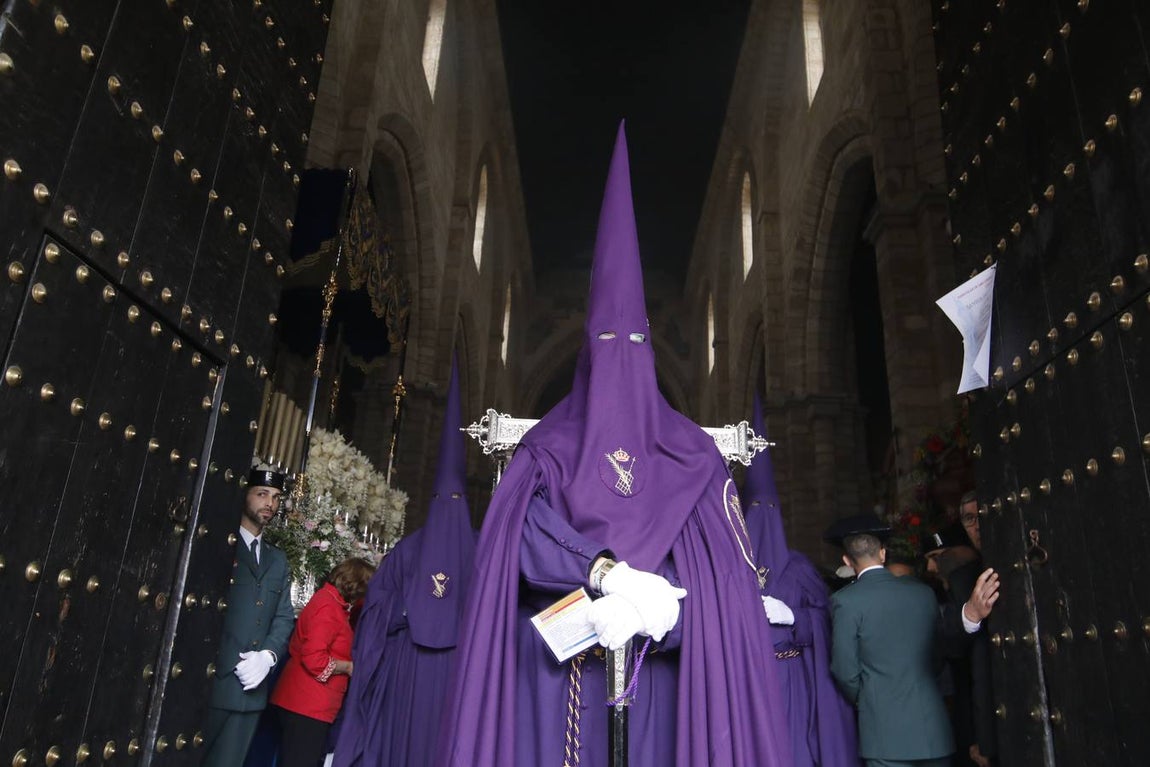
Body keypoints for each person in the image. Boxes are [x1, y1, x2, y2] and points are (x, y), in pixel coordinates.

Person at [436, 124, 792, 766]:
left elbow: (726, 590)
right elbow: (516, 541)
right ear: (584, 357)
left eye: (633, 344)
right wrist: (606, 575)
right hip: (555, 687)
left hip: (669, 686)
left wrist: (665, 613)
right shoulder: (546, 448)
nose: (618, 359)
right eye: (605, 343)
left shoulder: (694, 457)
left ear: (650, 352)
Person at [333, 356, 477, 767]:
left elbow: (375, 615)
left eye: (453, 501)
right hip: (424, 671)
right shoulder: (457, 549)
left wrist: (410, 612)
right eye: (443, 500)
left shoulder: (428, 550)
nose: (448, 508)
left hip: (437, 672)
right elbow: (377, 609)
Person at [742, 394, 859, 766]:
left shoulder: (800, 569)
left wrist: (794, 617)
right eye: (754, 511)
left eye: (768, 510)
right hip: (747, 680)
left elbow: (826, 623)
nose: (762, 518)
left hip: (793, 678)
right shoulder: (732, 568)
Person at [826, 513, 955, 767]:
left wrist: (869, 699)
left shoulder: (846, 601)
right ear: (883, 554)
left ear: (847, 561)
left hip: (884, 733)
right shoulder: (923, 593)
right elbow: (938, 656)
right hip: (933, 730)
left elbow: (844, 669)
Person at [203, 469, 297, 767]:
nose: (270, 503)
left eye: (276, 497)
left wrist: (268, 656)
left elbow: (284, 616)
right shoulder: (218, 544)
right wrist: (233, 658)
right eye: (262, 494)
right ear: (243, 495)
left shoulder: (277, 559)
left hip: (251, 690)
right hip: (214, 682)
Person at [270, 557, 375, 767]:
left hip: (305, 703)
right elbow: (314, 658)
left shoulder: (331, 601)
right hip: (307, 704)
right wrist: (348, 667)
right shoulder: (328, 607)